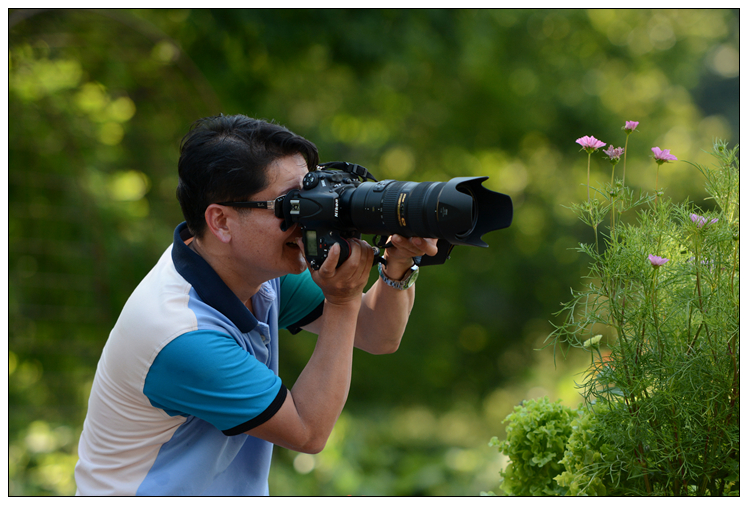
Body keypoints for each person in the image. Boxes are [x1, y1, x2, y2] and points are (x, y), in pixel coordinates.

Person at [74, 114, 438, 495]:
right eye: (291, 205)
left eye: (312, 194)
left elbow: (377, 334)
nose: (309, 218)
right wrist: (342, 300)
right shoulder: (181, 332)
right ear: (221, 222)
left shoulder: (255, 271)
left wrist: (399, 260)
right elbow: (308, 431)